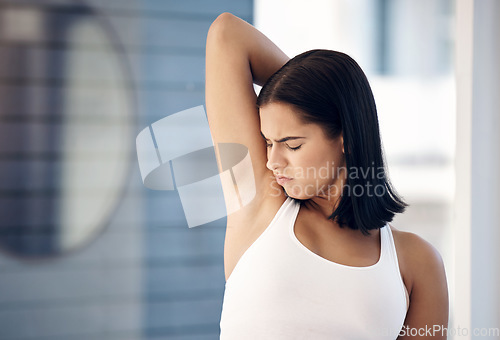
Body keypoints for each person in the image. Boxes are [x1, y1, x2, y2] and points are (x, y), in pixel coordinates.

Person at [205, 12, 448, 339]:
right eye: (267, 142)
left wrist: (340, 101)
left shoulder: (416, 262)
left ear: (345, 135)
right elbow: (227, 35)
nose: (272, 161)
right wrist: (317, 91)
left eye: (291, 144)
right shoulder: (259, 205)